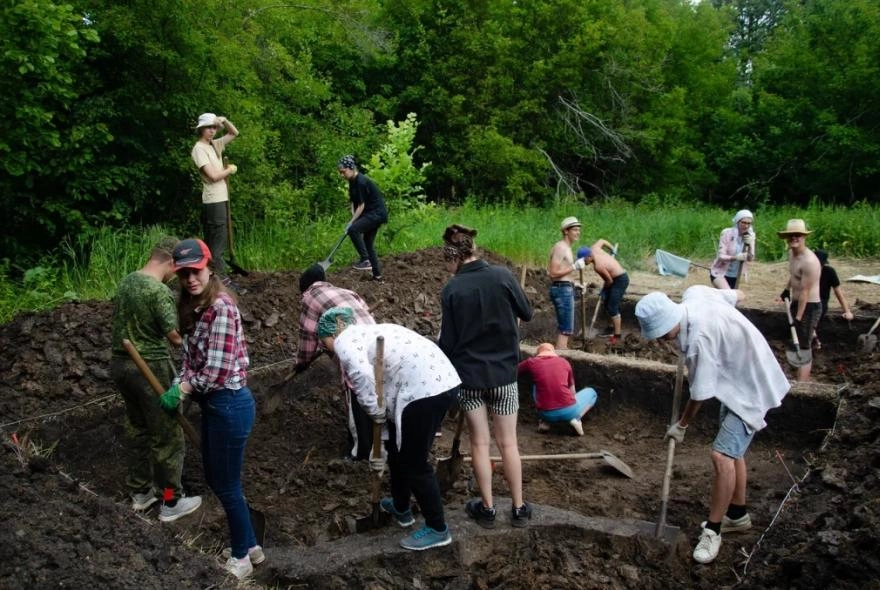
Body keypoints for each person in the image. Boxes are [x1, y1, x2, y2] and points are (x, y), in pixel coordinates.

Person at [635, 286, 789, 565]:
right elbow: (733, 295)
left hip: (750, 388)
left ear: (668, 325)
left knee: (721, 455)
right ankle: (737, 514)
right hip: (734, 379)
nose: (660, 342)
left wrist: (681, 425)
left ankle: (714, 531)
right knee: (733, 452)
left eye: (660, 336)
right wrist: (741, 294)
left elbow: (700, 394)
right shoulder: (694, 294)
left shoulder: (699, 340)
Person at [158, 238, 261, 579]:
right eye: (184, 273)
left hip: (230, 405)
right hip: (213, 404)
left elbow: (215, 371)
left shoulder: (221, 307)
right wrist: (180, 383)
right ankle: (252, 546)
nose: (190, 279)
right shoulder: (192, 308)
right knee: (223, 480)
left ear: (209, 268)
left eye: (196, 271)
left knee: (226, 484)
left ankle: (241, 558)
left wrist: (184, 387)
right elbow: (190, 359)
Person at [317, 307, 461, 551]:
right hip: (440, 382)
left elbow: (362, 377)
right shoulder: (368, 333)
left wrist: (374, 410)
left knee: (414, 463)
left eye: (324, 344)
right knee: (396, 450)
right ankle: (402, 507)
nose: (326, 348)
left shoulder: (344, 341)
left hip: (423, 391)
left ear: (329, 334)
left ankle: (438, 528)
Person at [438, 224, 534, 529]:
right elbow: (527, 313)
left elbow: (448, 343)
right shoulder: (503, 276)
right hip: (505, 375)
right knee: (509, 444)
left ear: (452, 257)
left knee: (479, 444)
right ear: (474, 250)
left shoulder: (452, 289)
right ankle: (519, 508)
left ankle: (488, 509)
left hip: (469, 380)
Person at [110, 237, 203, 521]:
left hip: (121, 366)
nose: (179, 276)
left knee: (138, 429)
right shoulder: (157, 291)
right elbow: (174, 338)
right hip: (150, 367)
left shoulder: (127, 281)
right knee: (167, 436)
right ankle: (170, 500)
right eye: (178, 269)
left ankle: (140, 493)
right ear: (169, 262)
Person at [295, 263, 376, 460]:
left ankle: (360, 452)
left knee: (355, 392)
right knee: (377, 389)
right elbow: (365, 313)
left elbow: (308, 335)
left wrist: (302, 362)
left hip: (352, 348)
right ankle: (380, 439)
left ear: (305, 288)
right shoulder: (346, 291)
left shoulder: (309, 297)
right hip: (376, 341)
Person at [191, 112, 239, 282]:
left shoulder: (214, 145)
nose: (212, 130)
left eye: (214, 127)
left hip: (221, 199)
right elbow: (212, 176)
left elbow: (234, 133)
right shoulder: (199, 149)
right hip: (213, 200)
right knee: (216, 245)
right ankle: (222, 281)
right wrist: (229, 170)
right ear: (201, 129)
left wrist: (224, 120)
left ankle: (209, 278)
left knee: (216, 241)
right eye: (208, 127)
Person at [773, 219, 821, 382]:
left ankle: (802, 385)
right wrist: (786, 290)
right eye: (791, 235)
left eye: (798, 235)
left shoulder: (810, 261)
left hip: (809, 306)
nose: (794, 238)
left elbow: (806, 292)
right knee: (799, 339)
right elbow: (794, 277)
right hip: (797, 302)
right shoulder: (792, 254)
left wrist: (799, 318)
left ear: (804, 237)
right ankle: (812, 335)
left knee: (803, 347)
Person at [517, 343, 598, 436]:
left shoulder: (531, 362)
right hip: (569, 411)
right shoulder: (564, 362)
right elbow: (573, 392)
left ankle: (545, 422)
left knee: (537, 385)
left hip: (545, 413)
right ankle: (576, 418)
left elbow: (515, 370)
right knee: (592, 392)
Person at [337, 155, 388, 281]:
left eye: (343, 172)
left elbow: (361, 205)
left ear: (351, 168)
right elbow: (354, 203)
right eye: (340, 173)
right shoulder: (352, 181)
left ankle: (365, 260)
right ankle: (377, 276)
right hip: (372, 213)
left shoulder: (361, 181)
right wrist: (353, 217)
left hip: (376, 213)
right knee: (368, 243)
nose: (342, 175)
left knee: (353, 230)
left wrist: (352, 222)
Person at [577, 239, 629, 343]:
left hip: (620, 280)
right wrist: (612, 249)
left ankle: (617, 336)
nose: (583, 263)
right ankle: (610, 328)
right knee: (607, 304)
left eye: (583, 260)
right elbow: (602, 241)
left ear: (589, 257)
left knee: (612, 307)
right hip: (615, 279)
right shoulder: (594, 248)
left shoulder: (598, 266)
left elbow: (609, 281)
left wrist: (605, 290)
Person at [547, 217, 582, 349]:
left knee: (566, 328)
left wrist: (575, 283)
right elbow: (553, 273)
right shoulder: (561, 248)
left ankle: (562, 354)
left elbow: (563, 273)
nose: (578, 232)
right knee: (565, 328)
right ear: (566, 231)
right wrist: (574, 267)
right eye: (575, 230)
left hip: (564, 287)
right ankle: (561, 354)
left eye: (579, 230)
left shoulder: (566, 248)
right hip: (562, 290)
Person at [812, 249, 854, 349]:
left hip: (821, 301)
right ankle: (812, 335)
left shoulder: (829, 272)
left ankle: (813, 335)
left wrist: (847, 311)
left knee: (817, 311)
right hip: (807, 299)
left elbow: (838, 293)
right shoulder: (808, 271)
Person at [710, 210, 756, 289]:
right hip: (720, 272)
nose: (746, 226)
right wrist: (735, 258)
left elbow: (750, 258)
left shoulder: (750, 236)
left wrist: (750, 245)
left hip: (735, 275)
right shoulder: (727, 233)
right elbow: (721, 256)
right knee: (728, 294)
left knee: (730, 299)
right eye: (743, 222)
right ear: (737, 222)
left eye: (748, 223)